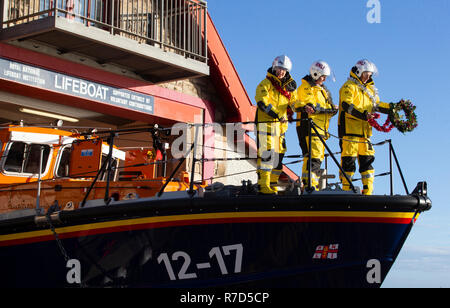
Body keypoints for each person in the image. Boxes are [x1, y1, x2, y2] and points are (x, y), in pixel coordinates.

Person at [338, 59, 391, 195]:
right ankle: (346, 189)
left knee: (367, 160)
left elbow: (377, 105)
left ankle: (368, 191)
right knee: (348, 160)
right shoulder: (349, 86)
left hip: (365, 132)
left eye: (370, 74)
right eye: (366, 74)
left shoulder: (369, 90)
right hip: (349, 130)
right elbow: (346, 105)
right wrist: (363, 115)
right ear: (358, 72)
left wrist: (393, 108)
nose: (368, 77)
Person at [255, 55, 297, 194]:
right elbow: (262, 103)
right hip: (265, 126)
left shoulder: (289, 89)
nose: (281, 72)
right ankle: (263, 185)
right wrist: (277, 115)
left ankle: (273, 184)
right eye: (279, 69)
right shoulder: (265, 84)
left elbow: (295, 103)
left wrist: (301, 107)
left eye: (284, 70)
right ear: (274, 68)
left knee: (279, 158)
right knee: (267, 156)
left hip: (280, 129)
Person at [294, 60, 337, 191]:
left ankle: (309, 183)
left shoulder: (322, 90)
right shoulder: (306, 87)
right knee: (315, 157)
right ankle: (311, 184)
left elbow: (324, 108)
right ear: (315, 74)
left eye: (325, 77)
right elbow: (309, 104)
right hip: (309, 127)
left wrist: (332, 109)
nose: (324, 79)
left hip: (320, 129)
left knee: (311, 157)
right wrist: (317, 108)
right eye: (322, 76)